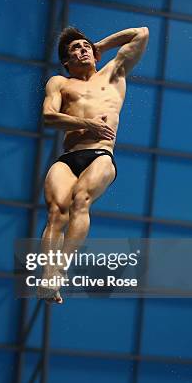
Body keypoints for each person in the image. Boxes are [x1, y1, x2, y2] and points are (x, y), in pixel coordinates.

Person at [38, 26, 149, 303]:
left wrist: (100, 44)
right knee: (55, 213)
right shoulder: (60, 83)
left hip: (100, 155)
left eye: (85, 46)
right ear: (66, 62)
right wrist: (85, 123)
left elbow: (141, 34)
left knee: (80, 200)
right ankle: (48, 277)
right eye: (75, 48)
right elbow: (48, 117)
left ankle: (61, 268)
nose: (82, 49)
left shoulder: (113, 73)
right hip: (68, 157)